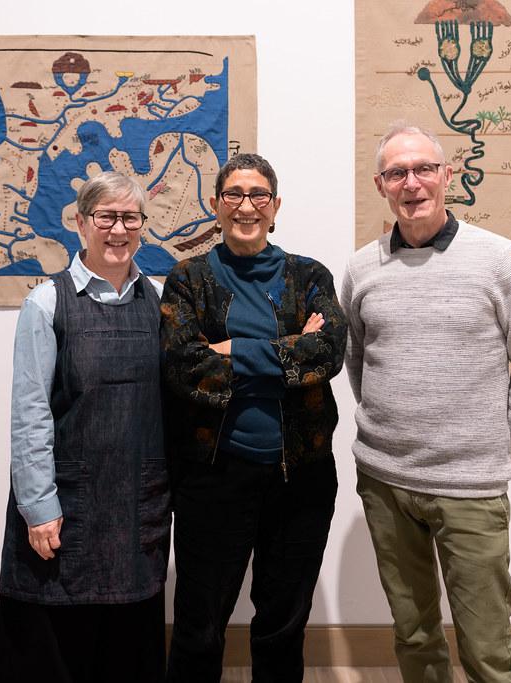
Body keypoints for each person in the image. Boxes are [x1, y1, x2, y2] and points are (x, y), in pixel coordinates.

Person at [340, 122, 511, 683]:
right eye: (396, 173)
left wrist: (494, 441)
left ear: (447, 176)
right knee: (414, 636)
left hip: (471, 488)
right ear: (380, 185)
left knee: (488, 650)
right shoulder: (362, 267)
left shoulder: (498, 258)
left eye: (423, 169)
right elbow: (358, 362)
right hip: (385, 481)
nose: (411, 183)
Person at [161, 153, 347, 682]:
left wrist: (229, 349)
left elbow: (327, 353)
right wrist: (288, 349)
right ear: (216, 205)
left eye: (258, 195)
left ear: (275, 205)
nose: (247, 206)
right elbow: (184, 368)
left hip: (301, 477)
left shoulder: (309, 276)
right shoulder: (188, 279)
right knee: (200, 625)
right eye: (234, 194)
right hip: (213, 475)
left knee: (283, 625)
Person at [0, 171, 170, 683]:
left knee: (126, 652)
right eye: (106, 217)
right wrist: (38, 506)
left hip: (138, 503)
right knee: (56, 651)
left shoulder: (160, 302)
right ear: (80, 223)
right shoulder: (46, 303)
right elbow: (30, 414)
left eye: (130, 218)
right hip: (67, 505)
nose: (119, 230)